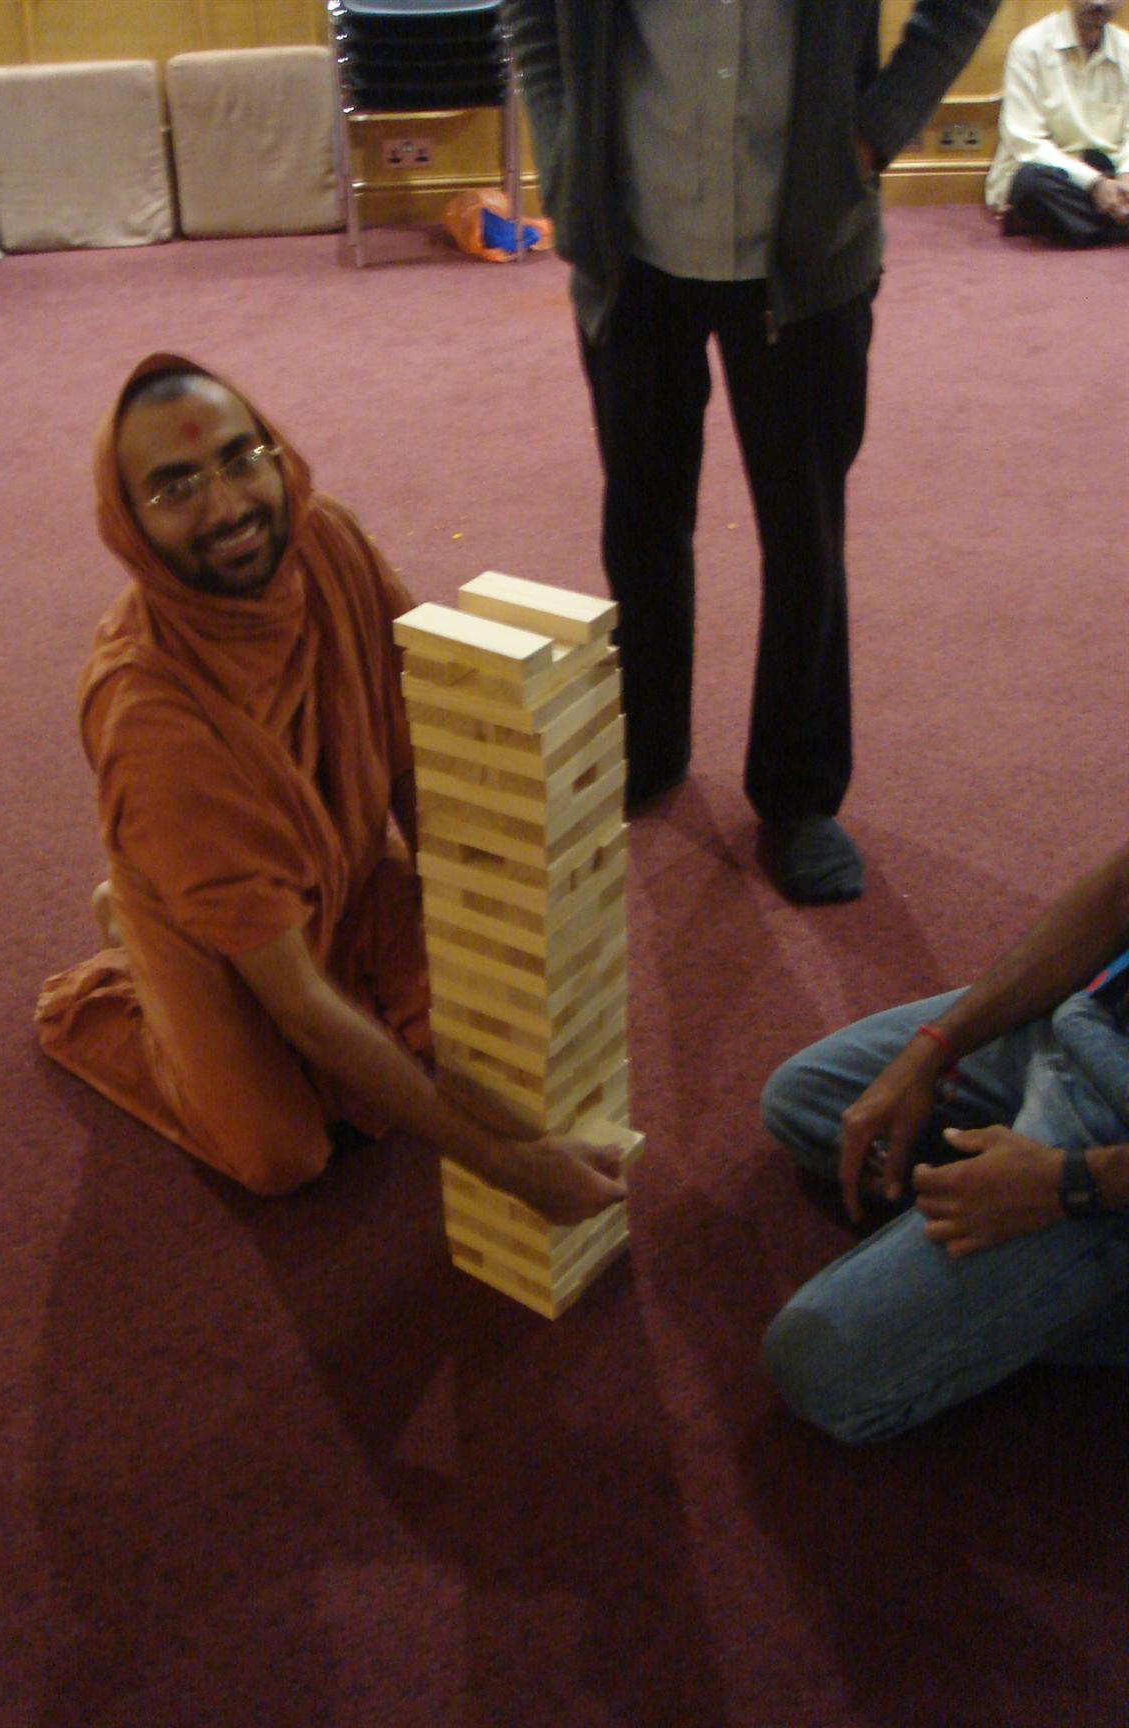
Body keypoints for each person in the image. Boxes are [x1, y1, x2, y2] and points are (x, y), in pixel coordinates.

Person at [36, 353, 628, 1227]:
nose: (230, 508)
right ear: (129, 524)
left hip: (340, 880)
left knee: (476, 1025)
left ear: (277, 454)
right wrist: (515, 1165)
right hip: (223, 939)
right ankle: (132, 973)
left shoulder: (329, 542)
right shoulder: (149, 721)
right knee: (284, 1153)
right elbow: (303, 1008)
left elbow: (411, 752)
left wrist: (463, 915)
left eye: (242, 460)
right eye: (176, 489)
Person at [503, 0, 999, 904]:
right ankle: (647, 744)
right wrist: (564, 144)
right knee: (641, 515)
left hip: (807, 251)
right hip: (635, 242)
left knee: (804, 527)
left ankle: (800, 793)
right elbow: (533, 13)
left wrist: (881, 127)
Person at [760, 839, 1129, 1442]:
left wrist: (1071, 1184)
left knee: (818, 1367)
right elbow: (1120, 892)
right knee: (802, 1102)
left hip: (1109, 1138)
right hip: (1094, 1014)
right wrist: (936, 1047)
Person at [986, 1, 1129, 245]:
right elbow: (1026, 143)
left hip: (1109, 168)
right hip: (1053, 173)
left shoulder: (1126, 48)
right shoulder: (1030, 47)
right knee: (1030, 185)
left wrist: (1126, 175)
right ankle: (1114, 222)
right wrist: (1095, 184)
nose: (1099, 2)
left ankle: (1078, 224)